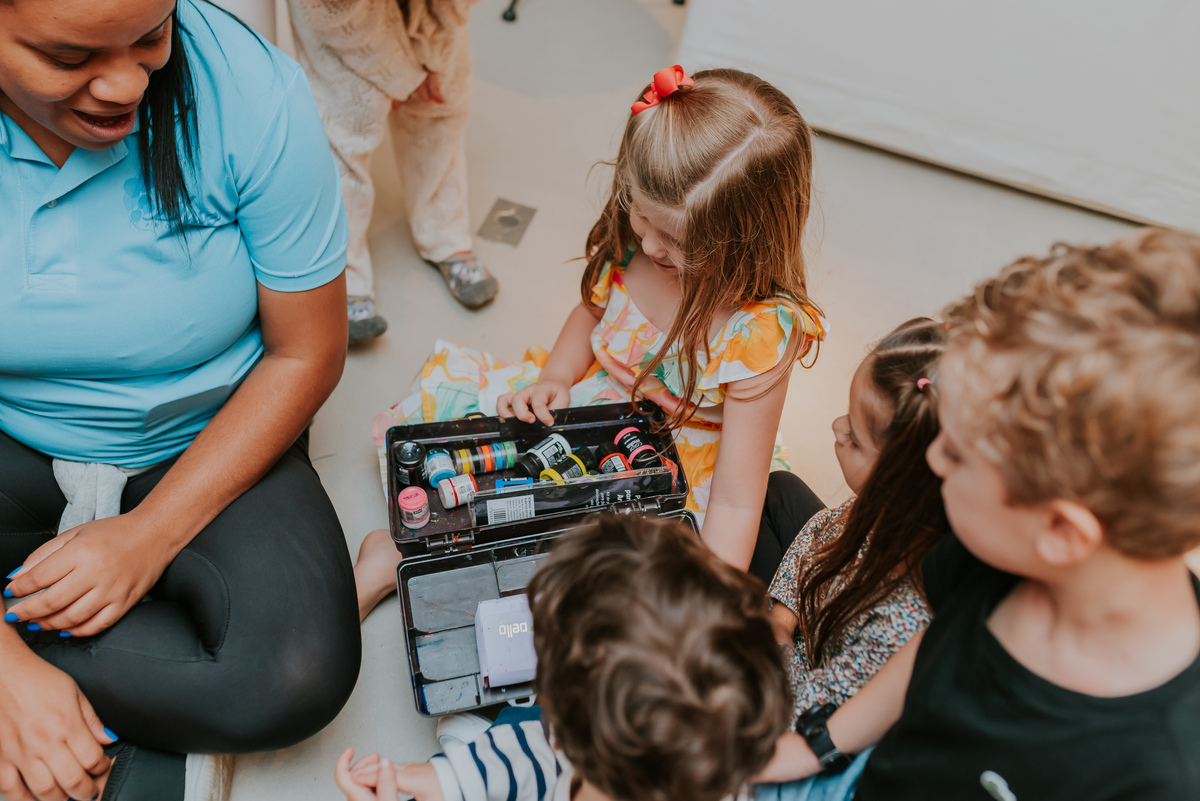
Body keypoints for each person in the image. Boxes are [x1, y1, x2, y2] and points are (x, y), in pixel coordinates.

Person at [0, 1, 360, 798]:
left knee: (295, 671)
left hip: (204, 432)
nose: (127, 83)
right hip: (10, 438)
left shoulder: (253, 96)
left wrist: (150, 537)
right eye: (68, 57)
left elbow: (308, 350)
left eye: (152, 36)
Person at [755, 229, 1200, 800]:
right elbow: (933, 647)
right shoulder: (980, 558)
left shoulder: (1162, 771)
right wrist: (818, 745)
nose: (932, 458)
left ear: (1060, 531)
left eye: (957, 453)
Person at [369, 66, 826, 583]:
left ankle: (411, 560)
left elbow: (737, 503)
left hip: (686, 455)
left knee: (589, 554)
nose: (651, 245)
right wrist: (557, 378)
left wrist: (706, 596)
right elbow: (591, 311)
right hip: (599, 404)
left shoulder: (760, 331)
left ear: (747, 240)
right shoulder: (636, 245)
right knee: (507, 471)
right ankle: (401, 549)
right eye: (643, 216)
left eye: (676, 241)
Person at [335, 513, 793, 801]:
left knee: (478, 730)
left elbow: (539, 753)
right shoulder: (667, 757)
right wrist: (448, 782)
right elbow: (531, 755)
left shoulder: (562, 748)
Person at [287, 0, 498, 343]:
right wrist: (399, 74)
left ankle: (444, 234)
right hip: (336, 13)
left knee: (443, 103)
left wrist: (434, 59)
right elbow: (333, 15)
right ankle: (343, 272)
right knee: (343, 132)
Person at [767, 318, 946, 722]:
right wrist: (781, 617)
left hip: (808, 693)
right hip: (806, 627)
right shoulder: (890, 507)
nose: (837, 427)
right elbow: (821, 530)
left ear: (900, 477)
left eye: (855, 438)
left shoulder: (903, 621)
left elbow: (813, 710)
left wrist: (772, 653)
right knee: (780, 487)